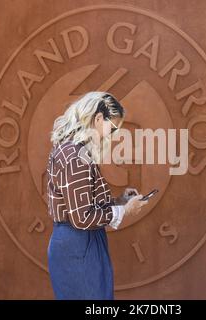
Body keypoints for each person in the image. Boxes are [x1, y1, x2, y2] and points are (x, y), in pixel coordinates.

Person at [46, 91, 148, 299]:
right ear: (99, 118)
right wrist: (124, 210)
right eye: (112, 128)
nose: (112, 134)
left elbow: (83, 204)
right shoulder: (75, 156)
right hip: (78, 245)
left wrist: (119, 201)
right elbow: (81, 217)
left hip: (81, 243)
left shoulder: (74, 151)